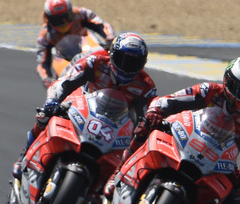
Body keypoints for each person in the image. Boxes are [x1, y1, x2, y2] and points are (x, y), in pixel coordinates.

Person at [106, 57, 240, 204]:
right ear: (228, 82)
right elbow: (169, 101)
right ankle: (118, 172)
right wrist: (155, 112)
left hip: (218, 163)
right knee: (145, 126)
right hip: (184, 140)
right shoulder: (209, 91)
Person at [13, 32, 157, 181]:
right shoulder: (96, 62)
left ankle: (106, 188)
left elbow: (149, 115)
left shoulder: (146, 86)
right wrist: (53, 99)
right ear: (112, 54)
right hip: (83, 105)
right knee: (46, 115)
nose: (127, 68)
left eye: (134, 63)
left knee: (131, 157)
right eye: (123, 60)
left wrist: (144, 130)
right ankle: (24, 155)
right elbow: (65, 82)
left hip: (117, 124)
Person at [36, 0, 116, 89]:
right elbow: (42, 63)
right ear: (49, 19)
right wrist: (47, 78)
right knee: (57, 86)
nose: (63, 22)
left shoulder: (81, 13)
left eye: (66, 17)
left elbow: (102, 25)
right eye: (57, 20)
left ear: (70, 11)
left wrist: (109, 37)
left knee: (110, 55)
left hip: (87, 47)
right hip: (66, 60)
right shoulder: (45, 35)